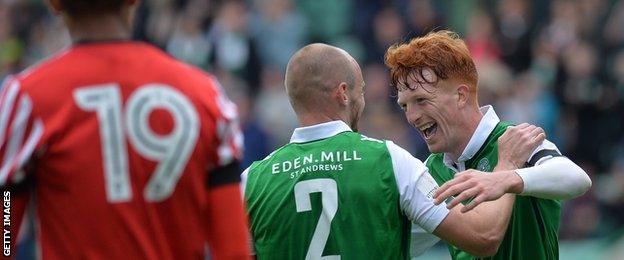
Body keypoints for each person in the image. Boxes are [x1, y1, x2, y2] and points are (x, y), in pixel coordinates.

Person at [242, 43, 545, 259]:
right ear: (344, 93)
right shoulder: (390, 161)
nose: (363, 102)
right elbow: (483, 237)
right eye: (361, 91)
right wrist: (505, 166)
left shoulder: (250, 182)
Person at [0, 0, 250, 259]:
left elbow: (5, 233)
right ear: (134, 2)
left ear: (54, 5)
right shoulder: (205, 94)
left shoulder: (28, 98)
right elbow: (232, 251)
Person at [384, 30, 592, 259]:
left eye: (421, 100)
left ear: (461, 96)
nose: (412, 116)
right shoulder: (431, 170)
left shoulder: (514, 140)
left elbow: (578, 179)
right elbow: (399, 244)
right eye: (405, 106)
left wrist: (506, 178)